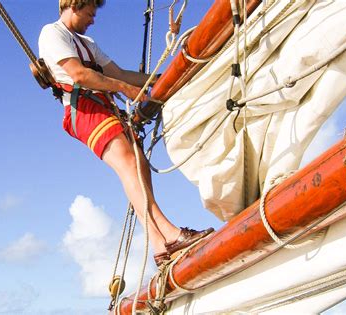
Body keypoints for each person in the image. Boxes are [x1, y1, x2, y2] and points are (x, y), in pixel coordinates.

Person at [39, 0, 214, 266]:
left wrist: (163, 78)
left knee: (139, 164)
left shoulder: (87, 43)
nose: (93, 20)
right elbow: (79, 75)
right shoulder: (52, 33)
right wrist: (123, 88)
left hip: (103, 107)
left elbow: (120, 73)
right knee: (129, 163)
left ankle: (159, 247)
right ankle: (171, 234)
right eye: (90, 13)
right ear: (75, 5)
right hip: (83, 110)